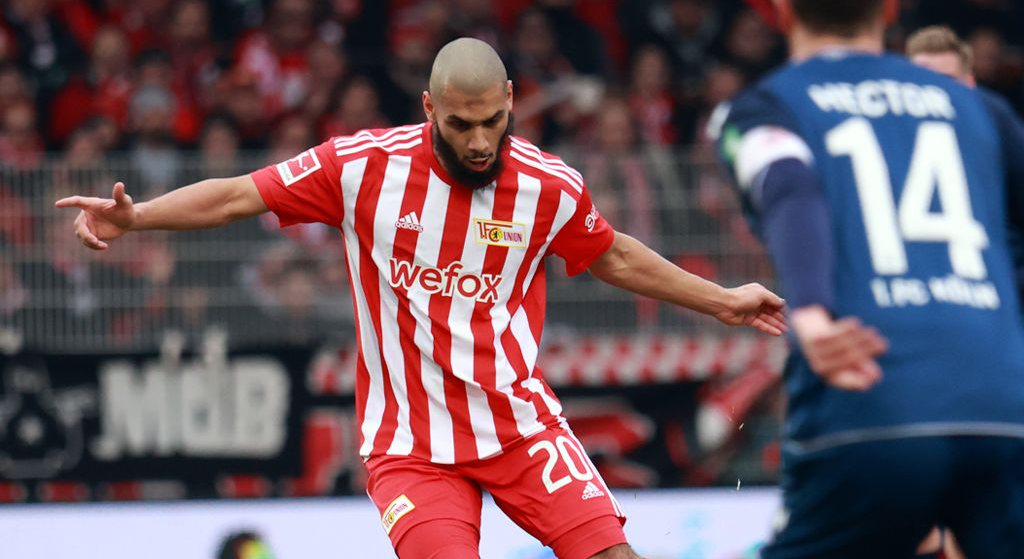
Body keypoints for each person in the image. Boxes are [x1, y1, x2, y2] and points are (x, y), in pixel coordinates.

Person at [56, 38, 787, 559]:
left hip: (520, 428)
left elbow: (614, 253)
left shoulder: (549, 186)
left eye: (492, 121)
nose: (479, 142)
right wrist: (137, 217)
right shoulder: (360, 168)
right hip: (411, 446)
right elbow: (237, 196)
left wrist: (722, 301)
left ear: (510, 100)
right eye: (460, 124)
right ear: (429, 106)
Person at [710, 0, 1024, 557]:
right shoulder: (986, 111)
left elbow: (789, 186)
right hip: (1001, 407)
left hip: (868, 398)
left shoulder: (761, 109)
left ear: (781, 10)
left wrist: (810, 314)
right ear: (891, 4)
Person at [907, 25, 1024, 306]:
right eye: (921, 81)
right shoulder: (886, 142)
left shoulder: (999, 130)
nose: (933, 93)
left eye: (947, 81)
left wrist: (1009, 286)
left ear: (969, 84)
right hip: (914, 298)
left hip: (996, 297)